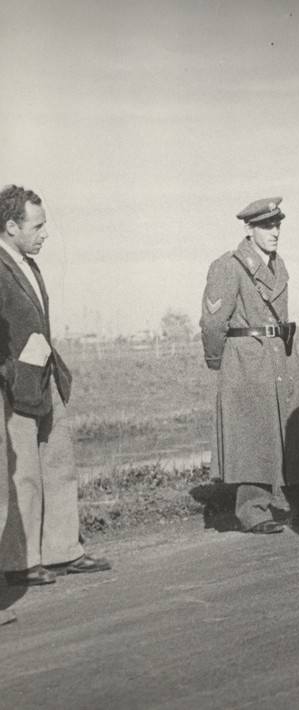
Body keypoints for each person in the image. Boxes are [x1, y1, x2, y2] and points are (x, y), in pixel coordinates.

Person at [0, 185, 111, 585]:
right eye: (38, 225)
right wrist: (10, 372)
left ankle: (63, 550)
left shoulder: (29, 264)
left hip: (45, 380)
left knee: (59, 464)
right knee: (23, 473)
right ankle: (19, 562)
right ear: (11, 226)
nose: (45, 233)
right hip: (15, 388)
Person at [200, 197, 299, 534]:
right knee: (253, 431)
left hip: (280, 352)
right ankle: (252, 508)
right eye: (266, 226)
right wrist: (219, 361)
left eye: (277, 225)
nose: (274, 232)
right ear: (248, 229)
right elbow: (213, 323)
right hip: (248, 357)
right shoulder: (228, 266)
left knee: (292, 427)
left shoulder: (276, 263)